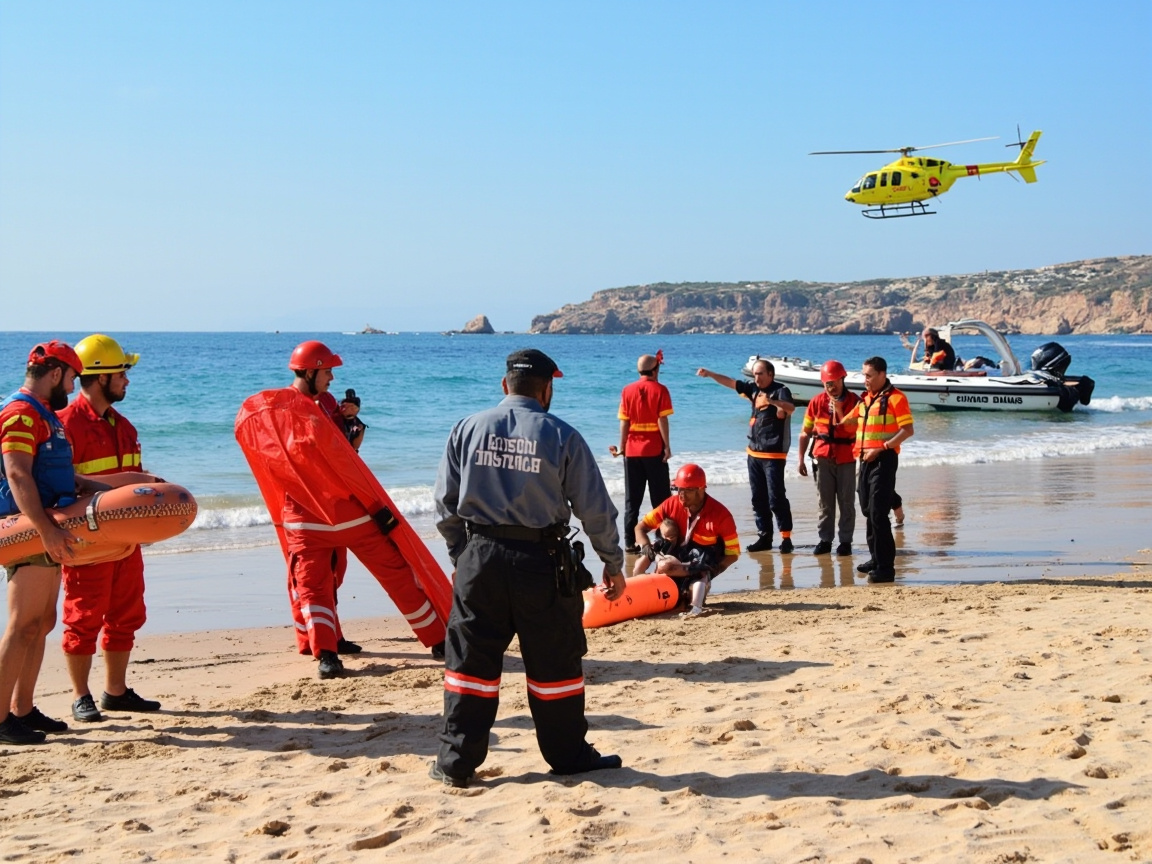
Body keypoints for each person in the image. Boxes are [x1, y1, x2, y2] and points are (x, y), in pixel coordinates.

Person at [432, 348, 625, 787]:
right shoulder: (562, 435)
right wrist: (612, 562)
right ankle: (568, 756)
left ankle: (456, 763)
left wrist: (462, 553)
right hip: (543, 562)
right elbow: (595, 509)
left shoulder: (466, 428)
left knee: (470, 663)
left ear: (505, 386)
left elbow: (444, 503)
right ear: (546, 389)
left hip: (479, 558)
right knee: (555, 664)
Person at [235, 341, 450, 680]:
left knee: (314, 585)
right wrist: (375, 506)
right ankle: (439, 642)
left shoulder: (282, 412)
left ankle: (328, 655)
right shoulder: (307, 412)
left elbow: (292, 461)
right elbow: (343, 464)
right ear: (310, 371)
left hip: (303, 519)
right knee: (394, 571)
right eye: (328, 370)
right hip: (347, 512)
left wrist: (348, 419)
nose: (333, 377)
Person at [0, 342, 109, 745]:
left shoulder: (43, 414)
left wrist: (99, 487)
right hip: (29, 528)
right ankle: (1, 718)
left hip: (46, 525)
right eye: (73, 377)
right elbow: (17, 474)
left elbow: (52, 473)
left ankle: (23, 709)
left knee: (41, 623)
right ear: (57, 373)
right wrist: (44, 529)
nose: (73, 386)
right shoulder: (21, 412)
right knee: (22, 624)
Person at [57, 335, 163, 723]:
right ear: (101, 378)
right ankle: (80, 695)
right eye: (122, 373)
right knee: (83, 617)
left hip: (126, 543)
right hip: (86, 542)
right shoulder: (65, 426)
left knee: (128, 614)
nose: (127, 381)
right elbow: (62, 486)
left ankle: (115, 692)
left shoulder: (125, 426)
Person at [697, 358, 795, 553]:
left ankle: (786, 538)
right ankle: (764, 537)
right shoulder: (753, 390)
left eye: (760, 374)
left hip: (773, 455)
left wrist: (773, 402)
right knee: (758, 498)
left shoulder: (781, 390)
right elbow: (731, 383)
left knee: (776, 498)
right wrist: (710, 374)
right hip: (753, 453)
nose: (756, 377)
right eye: (754, 374)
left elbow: (790, 408)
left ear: (770, 375)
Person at [634, 463, 739, 618]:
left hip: (698, 564)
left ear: (701, 489)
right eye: (678, 489)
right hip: (674, 557)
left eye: (687, 490)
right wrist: (646, 547)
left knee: (689, 597)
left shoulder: (721, 515)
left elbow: (733, 554)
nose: (681, 494)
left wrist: (713, 571)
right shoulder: (671, 504)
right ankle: (635, 587)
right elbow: (640, 528)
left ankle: (699, 587)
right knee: (650, 557)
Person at [849, 357, 914, 583]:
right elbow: (847, 424)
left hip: (884, 458)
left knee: (877, 512)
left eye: (868, 375)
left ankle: (886, 568)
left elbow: (907, 430)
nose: (864, 380)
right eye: (863, 375)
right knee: (867, 510)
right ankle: (875, 558)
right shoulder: (865, 399)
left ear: (882, 374)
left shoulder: (897, 398)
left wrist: (882, 447)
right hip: (865, 459)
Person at [608, 352, 672, 553]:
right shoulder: (660, 390)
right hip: (654, 451)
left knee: (632, 500)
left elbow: (624, 421)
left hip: (632, 452)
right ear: (656, 370)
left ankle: (629, 542)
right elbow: (662, 419)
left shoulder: (627, 390)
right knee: (660, 499)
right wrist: (667, 446)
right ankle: (662, 539)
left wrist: (622, 447)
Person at [797, 360, 860, 557]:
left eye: (834, 382)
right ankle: (825, 540)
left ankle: (845, 542)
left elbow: (853, 429)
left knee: (846, 502)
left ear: (843, 379)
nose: (831, 387)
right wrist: (800, 460)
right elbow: (805, 432)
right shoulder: (816, 402)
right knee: (825, 503)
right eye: (827, 383)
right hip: (822, 457)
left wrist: (839, 408)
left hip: (846, 458)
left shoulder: (855, 401)